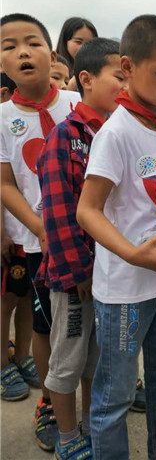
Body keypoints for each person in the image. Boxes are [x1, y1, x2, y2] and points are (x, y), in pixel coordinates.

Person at [76, 15, 156, 460]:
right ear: (127, 67)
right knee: (115, 394)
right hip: (128, 289)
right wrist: (133, 253)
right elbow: (87, 210)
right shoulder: (116, 134)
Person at [34, 38, 126, 459]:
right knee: (68, 361)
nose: (127, 86)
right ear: (85, 80)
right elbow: (57, 214)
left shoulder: (118, 132)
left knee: (95, 359)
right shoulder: (65, 138)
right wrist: (79, 274)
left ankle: (91, 426)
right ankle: (68, 437)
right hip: (76, 278)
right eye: (120, 77)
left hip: (107, 275)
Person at [0, 13, 80, 451]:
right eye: (9, 46)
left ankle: (110, 383)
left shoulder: (78, 105)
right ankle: (50, 400)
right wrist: (37, 227)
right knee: (47, 326)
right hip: (37, 242)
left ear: (52, 56)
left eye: (31, 42)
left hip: (87, 237)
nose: (22, 52)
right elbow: (5, 183)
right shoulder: (1, 117)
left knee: (93, 318)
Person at [1, 70, 37, 402]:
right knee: (6, 300)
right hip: (9, 232)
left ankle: (24, 355)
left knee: (27, 297)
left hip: (30, 235)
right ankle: (2, 364)